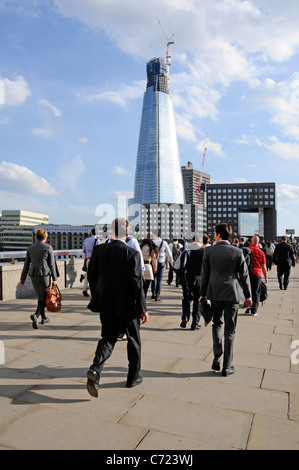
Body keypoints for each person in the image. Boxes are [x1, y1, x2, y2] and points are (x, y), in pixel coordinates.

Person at [86, 218, 148, 398]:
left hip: (106, 303)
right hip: (128, 305)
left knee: (108, 337)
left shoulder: (99, 250)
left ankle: (95, 369)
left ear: (111, 232)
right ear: (127, 234)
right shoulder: (132, 254)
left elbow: (92, 277)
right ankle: (133, 377)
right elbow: (137, 284)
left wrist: (99, 294)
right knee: (134, 340)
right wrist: (143, 308)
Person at [199, 223, 252, 376]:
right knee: (230, 330)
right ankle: (227, 366)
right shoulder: (237, 252)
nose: (214, 235)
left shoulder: (209, 251)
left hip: (214, 293)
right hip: (232, 294)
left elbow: (205, 275)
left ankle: (217, 355)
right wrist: (248, 296)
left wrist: (203, 293)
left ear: (219, 235)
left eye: (214, 233)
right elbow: (244, 275)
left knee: (216, 323)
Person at [20, 228, 58, 329]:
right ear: (45, 237)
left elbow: (26, 264)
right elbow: (51, 264)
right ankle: (36, 315)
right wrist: (55, 278)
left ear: (37, 237)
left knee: (41, 296)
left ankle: (43, 318)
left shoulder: (30, 248)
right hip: (44, 275)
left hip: (33, 275)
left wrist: (22, 278)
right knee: (45, 297)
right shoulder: (48, 247)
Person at [180, 234, 204, 330]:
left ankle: (185, 316)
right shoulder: (203, 251)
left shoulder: (187, 250)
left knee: (186, 299)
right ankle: (195, 323)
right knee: (197, 302)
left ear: (193, 240)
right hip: (199, 280)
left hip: (187, 279)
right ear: (200, 241)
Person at [246, 235, 268, 316]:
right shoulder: (261, 252)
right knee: (256, 292)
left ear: (251, 241)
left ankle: (248, 305)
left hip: (247, 273)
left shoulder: (247, 249)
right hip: (257, 273)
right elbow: (264, 266)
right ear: (258, 242)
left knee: (248, 290)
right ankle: (254, 311)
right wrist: (266, 277)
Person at [151, 231, 173, 301]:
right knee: (159, 279)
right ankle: (157, 296)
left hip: (153, 261)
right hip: (161, 261)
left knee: (153, 278)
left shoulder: (151, 242)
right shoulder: (164, 242)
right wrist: (172, 263)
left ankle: (153, 293)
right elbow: (169, 254)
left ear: (155, 235)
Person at [82, 228, 99, 297]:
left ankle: (85, 289)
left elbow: (84, 250)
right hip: (96, 260)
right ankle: (95, 290)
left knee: (88, 274)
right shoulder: (98, 241)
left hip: (89, 259)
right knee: (97, 275)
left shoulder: (86, 240)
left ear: (91, 233)